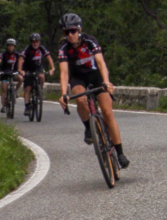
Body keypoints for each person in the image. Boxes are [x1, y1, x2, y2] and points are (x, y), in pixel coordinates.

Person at [56, 13, 130, 168]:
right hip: (78, 79)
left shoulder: (90, 41)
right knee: (80, 99)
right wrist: (63, 94)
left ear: (79, 29)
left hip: (95, 75)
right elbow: (63, 72)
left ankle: (120, 153)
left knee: (108, 113)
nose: (70, 35)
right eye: (66, 32)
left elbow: (101, 62)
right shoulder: (63, 48)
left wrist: (107, 82)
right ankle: (88, 128)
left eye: (73, 31)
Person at [17, 32, 55, 116]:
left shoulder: (41, 48)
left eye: (37, 42)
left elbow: (49, 57)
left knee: (42, 75)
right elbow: (20, 58)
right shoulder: (28, 49)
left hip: (38, 68)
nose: (35, 43)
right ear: (31, 42)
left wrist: (52, 68)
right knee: (28, 88)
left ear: (39, 42)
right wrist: (20, 70)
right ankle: (27, 106)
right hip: (28, 69)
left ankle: (39, 90)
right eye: (33, 42)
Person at [0, 38, 22, 112]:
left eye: (12, 45)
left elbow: (21, 61)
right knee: (4, 89)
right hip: (5, 73)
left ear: (14, 46)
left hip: (13, 72)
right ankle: (3, 106)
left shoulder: (17, 54)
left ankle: (15, 91)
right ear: (7, 46)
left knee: (21, 79)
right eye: (9, 45)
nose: (10, 47)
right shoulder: (3, 54)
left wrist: (21, 70)